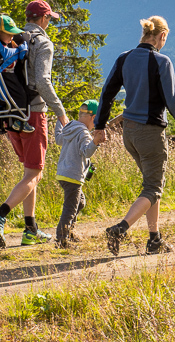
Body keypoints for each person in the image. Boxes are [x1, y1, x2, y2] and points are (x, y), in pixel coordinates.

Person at [93, 15, 175, 256]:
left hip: (129, 134)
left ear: (145, 33)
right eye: (165, 39)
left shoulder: (124, 59)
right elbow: (172, 102)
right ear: (161, 36)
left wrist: (100, 125)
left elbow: (107, 94)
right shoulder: (161, 62)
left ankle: (155, 239)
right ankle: (120, 229)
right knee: (153, 188)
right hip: (150, 133)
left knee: (151, 187)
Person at [0, 0, 69, 248]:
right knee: (34, 172)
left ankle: (31, 229)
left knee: (30, 172)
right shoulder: (42, 43)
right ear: (43, 19)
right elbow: (42, 81)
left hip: (11, 114)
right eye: (49, 18)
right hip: (33, 114)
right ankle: (1, 213)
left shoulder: (14, 38)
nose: (49, 22)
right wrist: (61, 113)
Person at [54, 99, 105, 248]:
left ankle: (69, 233)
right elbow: (87, 152)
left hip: (63, 174)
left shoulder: (70, 127)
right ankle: (62, 240)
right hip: (73, 176)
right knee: (70, 208)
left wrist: (59, 119)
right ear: (94, 118)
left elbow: (58, 139)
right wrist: (95, 142)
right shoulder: (83, 132)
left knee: (79, 203)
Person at [0, 15, 34, 134]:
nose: (12, 36)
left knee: (18, 96)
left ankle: (15, 120)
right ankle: (19, 120)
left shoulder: (1, 43)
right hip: (6, 76)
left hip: (6, 75)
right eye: (9, 33)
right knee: (20, 95)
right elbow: (18, 54)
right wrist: (23, 46)